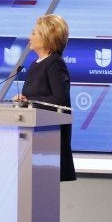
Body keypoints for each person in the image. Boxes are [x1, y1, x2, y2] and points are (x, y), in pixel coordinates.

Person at [13, 14, 76, 182]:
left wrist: (30, 102)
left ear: (46, 37)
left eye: (33, 33)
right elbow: (35, 98)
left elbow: (61, 101)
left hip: (48, 143)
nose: (29, 37)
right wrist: (23, 101)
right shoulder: (36, 64)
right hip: (33, 138)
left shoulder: (55, 63)